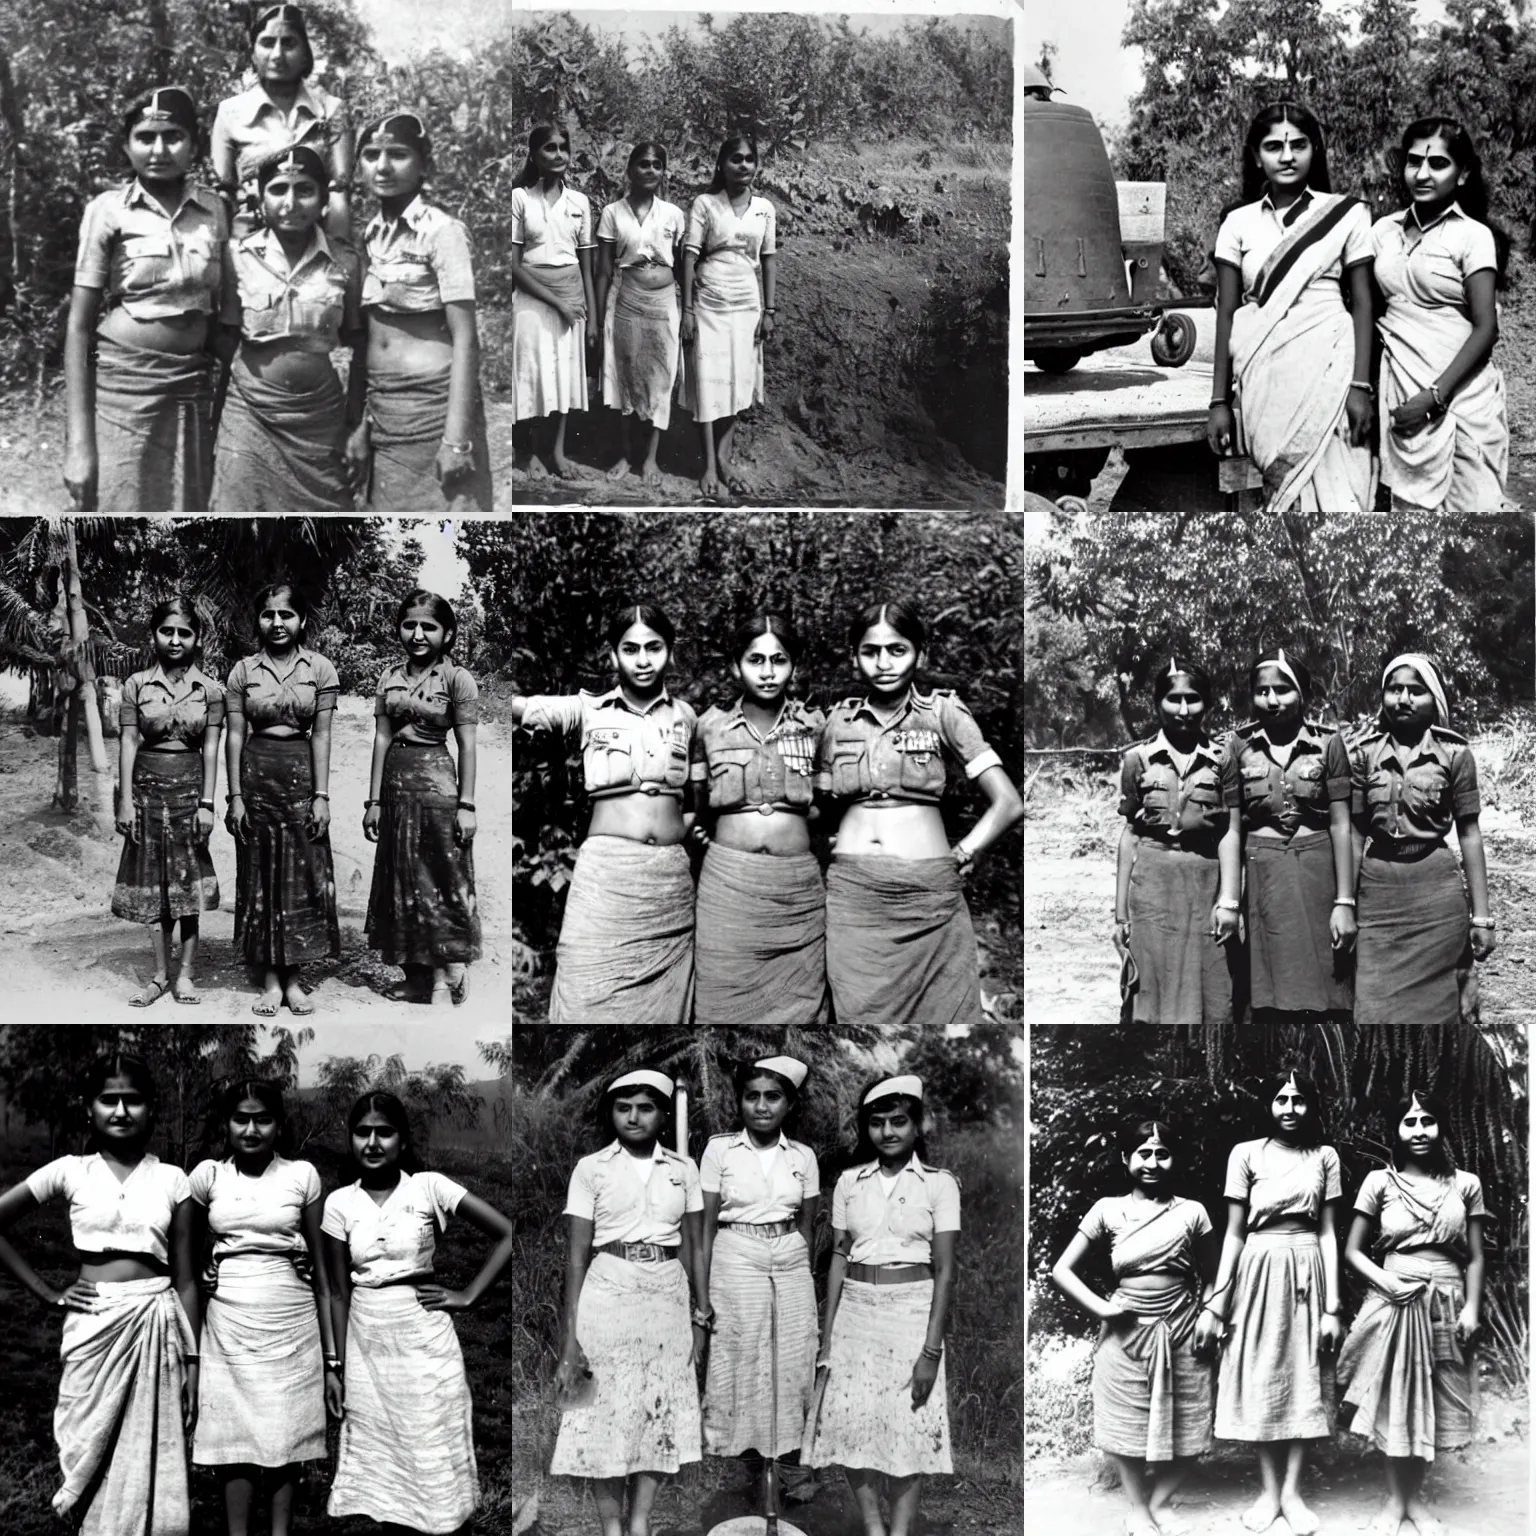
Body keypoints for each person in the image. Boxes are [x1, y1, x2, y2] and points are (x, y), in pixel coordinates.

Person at [0, 1054, 201, 1535]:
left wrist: (194, 1360)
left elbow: (188, 1279)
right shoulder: (71, 1171)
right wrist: (46, 1292)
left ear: (151, 1108)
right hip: (93, 1326)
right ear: (88, 1107)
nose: (120, 1111)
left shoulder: (174, 1179)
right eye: (108, 1099)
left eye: (132, 1100)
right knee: (86, 1443)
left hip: (155, 1322)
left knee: (149, 1455)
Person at [817, 600, 1022, 1030]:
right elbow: (812, 806)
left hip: (928, 894)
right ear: (855, 657)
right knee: (861, 1017)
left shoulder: (943, 713)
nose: (884, 663)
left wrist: (967, 851)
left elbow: (1008, 802)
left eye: (898, 650)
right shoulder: (836, 723)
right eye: (871, 652)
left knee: (944, 1015)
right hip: (854, 898)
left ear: (921, 654)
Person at [322, 1091, 515, 1535]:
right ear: (351, 1139)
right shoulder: (339, 1204)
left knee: (432, 1458)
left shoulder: (429, 1186)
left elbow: (506, 1233)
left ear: (403, 1140)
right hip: (368, 1344)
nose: (373, 1142)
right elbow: (335, 1291)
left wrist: (469, 1296)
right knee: (389, 1474)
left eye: (384, 1132)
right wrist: (337, 1365)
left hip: (424, 1339)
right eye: (362, 1132)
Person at [511, 604, 700, 1023]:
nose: (643, 659)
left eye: (654, 648)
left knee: (665, 1009)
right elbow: (521, 706)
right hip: (607, 878)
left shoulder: (686, 717)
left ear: (670, 652)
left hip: (669, 882)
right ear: (613, 656)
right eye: (630, 649)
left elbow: (699, 796)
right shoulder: (589, 709)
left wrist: (692, 828)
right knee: (586, 988)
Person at [551, 1069, 708, 1536]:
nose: (633, 1117)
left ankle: (640, 1521)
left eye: (644, 1108)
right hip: (608, 1291)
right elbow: (576, 1259)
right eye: (623, 1108)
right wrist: (568, 1339)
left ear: (663, 1115)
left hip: (666, 1294)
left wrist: (701, 1316)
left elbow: (697, 1248)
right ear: (612, 1113)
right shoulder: (591, 1168)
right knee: (604, 1415)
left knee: (658, 1410)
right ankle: (611, 1526)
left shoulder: (684, 1170)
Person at [802, 1076, 958, 1536]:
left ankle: (901, 1530)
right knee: (852, 1424)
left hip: (911, 1310)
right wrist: (826, 1335)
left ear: (916, 1126)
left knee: (909, 1426)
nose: (888, 1132)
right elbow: (839, 1256)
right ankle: (873, 1526)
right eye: (877, 1123)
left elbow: (946, 1270)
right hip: (855, 1310)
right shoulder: (850, 1182)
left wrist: (931, 1351)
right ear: (865, 1128)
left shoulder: (939, 1184)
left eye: (898, 1122)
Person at [1051, 1117, 1219, 1536]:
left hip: (1182, 1325)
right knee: (1125, 1423)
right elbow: (1062, 1270)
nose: (1153, 1162)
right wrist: (1103, 1310)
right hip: (1126, 1331)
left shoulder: (1192, 1212)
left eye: (1162, 1154)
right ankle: (1138, 1508)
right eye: (1144, 1153)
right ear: (1126, 1158)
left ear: (1173, 1160)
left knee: (1192, 1415)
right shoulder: (1108, 1209)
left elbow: (1216, 1275)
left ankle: (1161, 1501)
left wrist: (1208, 1313)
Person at [64, 86, 226, 511]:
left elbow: (225, 313)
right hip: (124, 388)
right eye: (145, 137)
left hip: (190, 388)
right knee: (120, 511)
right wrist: (78, 444)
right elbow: (79, 328)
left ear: (194, 143)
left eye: (173, 136)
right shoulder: (108, 210)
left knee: (184, 515)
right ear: (126, 145)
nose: (159, 149)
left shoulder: (214, 210)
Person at [1208, 102, 1375, 514]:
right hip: (1264, 379)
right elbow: (1227, 315)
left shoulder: (1346, 215)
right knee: (1280, 501)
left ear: (1314, 150)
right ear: (1255, 155)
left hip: (1331, 371)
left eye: (1298, 145)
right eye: (1273, 146)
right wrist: (1218, 403)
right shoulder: (1238, 223)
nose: (1287, 156)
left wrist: (1360, 387)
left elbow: (1364, 304)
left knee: (1341, 504)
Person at [1197, 1072, 1342, 1536]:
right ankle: (1267, 1491)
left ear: (1311, 1107)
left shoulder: (1325, 1157)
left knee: (1305, 1376)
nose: (1290, 1107)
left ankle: (1293, 1493)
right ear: (1269, 1105)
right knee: (1261, 1374)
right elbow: (1235, 1232)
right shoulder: (1246, 1154)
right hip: (1257, 1270)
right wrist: (1218, 1300)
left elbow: (1327, 1232)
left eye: (1300, 1099)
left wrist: (1333, 1306)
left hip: (1307, 1269)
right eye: (1281, 1098)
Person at [1338, 1091, 1485, 1536]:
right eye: (1409, 1122)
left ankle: (1413, 1500)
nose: (1419, 1130)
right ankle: (1394, 1502)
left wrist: (1473, 1308)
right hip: (1395, 1296)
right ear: (1397, 1131)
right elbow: (1352, 1251)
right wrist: (1385, 1282)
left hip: (1446, 1299)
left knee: (1435, 1400)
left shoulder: (1466, 1184)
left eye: (1427, 1121)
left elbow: (1476, 1256)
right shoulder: (1379, 1183)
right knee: (1397, 1398)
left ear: (1440, 1128)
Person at [188, 1080, 332, 1536]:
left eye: (263, 1119)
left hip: (291, 1316)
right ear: (226, 1124)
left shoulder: (301, 1175)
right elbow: (184, 1252)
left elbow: (320, 1251)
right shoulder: (208, 1175)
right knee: (234, 1439)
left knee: (284, 1436)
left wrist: (309, 1264)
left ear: (280, 1125)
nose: (251, 1129)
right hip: (229, 1317)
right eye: (241, 1119)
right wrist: (207, 1266)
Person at [350, 109, 492, 511]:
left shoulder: (442, 232)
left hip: (433, 409)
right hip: (386, 411)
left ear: (423, 163)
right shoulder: (372, 234)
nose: (382, 166)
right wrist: (362, 424)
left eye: (398, 154)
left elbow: (466, 338)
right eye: (371, 154)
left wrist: (456, 439)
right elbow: (373, 337)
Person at [211, 144, 365, 511]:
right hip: (250, 412)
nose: (291, 202)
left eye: (305, 190)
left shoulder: (345, 261)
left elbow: (361, 345)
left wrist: (357, 424)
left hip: (320, 417)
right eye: (278, 189)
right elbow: (227, 339)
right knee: (240, 511)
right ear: (261, 198)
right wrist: (214, 418)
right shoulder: (237, 257)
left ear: (324, 198)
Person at [691, 614, 827, 1025]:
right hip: (728, 886)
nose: (768, 671)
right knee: (722, 999)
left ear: (794, 666)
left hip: (796, 887)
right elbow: (696, 802)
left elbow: (827, 803)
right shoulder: (709, 726)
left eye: (779, 659)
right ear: (736, 665)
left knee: (799, 1004)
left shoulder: (816, 726)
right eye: (755, 660)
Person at [1349, 653, 1495, 1026]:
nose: (1404, 699)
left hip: (1435, 892)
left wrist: (1482, 918)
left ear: (1435, 699)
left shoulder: (1456, 754)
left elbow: (1469, 834)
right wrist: (1344, 902)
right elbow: (1353, 833)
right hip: (1377, 892)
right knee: (1371, 1007)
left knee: (1437, 1012)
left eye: (1416, 691)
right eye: (1394, 689)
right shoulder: (1364, 755)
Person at [1372, 118, 1508, 512]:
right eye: (1414, 162)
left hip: (1463, 399)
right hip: (1402, 392)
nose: (1423, 173)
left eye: (1438, 164)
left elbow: (1486, 329)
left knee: (1474, 532)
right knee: (1414, 530)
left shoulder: (1473, 236)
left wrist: (1434, 397)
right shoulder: (1383, 231)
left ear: (1463, 174)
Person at [700, 1057, 820, 1501]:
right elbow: (707, 1223)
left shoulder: (803, 1156)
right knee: (741, 1354)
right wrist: (706, 1288)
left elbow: (808, 1223)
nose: (762, 1106)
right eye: (752, 1097)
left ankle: (791, 1467)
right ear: (740, 1102)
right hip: (736, 1256)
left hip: (789, 1257)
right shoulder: (720, 1150)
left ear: (789, 1104)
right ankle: (751, 1465)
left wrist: (797, 1264)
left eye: (773, 1097)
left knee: (793, 1358)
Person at [225, 581, 341, 1016]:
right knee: (260, 874)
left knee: (302, 873)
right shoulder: (242, 671)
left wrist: (321, 796)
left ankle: (295, 979)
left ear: (302, 620)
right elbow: (235, 735)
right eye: (268, 614)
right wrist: (235, 796)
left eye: (286, 615)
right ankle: (270, 981)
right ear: (258, 620)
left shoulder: (320, 669)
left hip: (300, 777)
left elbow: (323, 734)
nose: (277, 623)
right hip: (256, 777)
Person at [1220, 649, 1354, 1022]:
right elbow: (1233, 826)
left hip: (1316, 873)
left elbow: (1342, 823)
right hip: (1264, 873)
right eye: (1262, 691)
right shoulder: (1238, 747)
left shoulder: (1329, 744)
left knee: (1326, 978)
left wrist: (1345, 900)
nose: (1272, 700)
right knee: (1268, 981)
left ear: (1303, 694)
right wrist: (1231, 900)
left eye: (1283, 689)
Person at [364, 588, 481, 1006]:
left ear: (447, 634)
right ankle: (415, 978)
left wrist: (466, 805)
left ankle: (441, 980)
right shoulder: (387, 676)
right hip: (396, 785)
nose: (417, 634)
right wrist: (373, 801)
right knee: (401, 880)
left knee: (438, 879)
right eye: (410, 625)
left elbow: (467, 744)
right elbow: (380, 737)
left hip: (437, 786)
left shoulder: (457, 678)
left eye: (428, 627)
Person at [1114, 657, 1241, 1027]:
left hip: (1204, 883)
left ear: (1208, 704)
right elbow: (1130, 834)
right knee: (1151, 982)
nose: (1184, 709)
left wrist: (1229, 901)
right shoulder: (1137, 759)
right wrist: (1121, 915)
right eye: (1174, 699)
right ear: (1157, 703)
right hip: (1153, 887)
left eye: (1194, 699)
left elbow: (1231, 831)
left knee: (1210, 985)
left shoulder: (1222, 758)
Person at [112, 595, 224, 1007]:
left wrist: (208, 803)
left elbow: (211, 747)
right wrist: (125, 800)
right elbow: (127, 740)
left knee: (186, 883)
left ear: (197, 639)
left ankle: (187, 975)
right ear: (153, 635)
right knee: (152, 881)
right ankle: (159, 975)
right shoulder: (136, 685)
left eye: (185, 633)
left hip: (190, 789)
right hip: (145, 790)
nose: (175, 640)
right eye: (167, 631)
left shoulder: (211, 690)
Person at [680, 136, 778, 499]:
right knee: (709, 379)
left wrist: (769, 310)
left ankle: (724, 457)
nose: (743, 165)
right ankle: (707, 466)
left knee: (738, 379)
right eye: (735, 159)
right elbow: (689, 257)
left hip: (747, 303)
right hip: (710, 300)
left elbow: (768, 258)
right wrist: (688, 310)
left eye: (750, 159)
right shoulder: (705, 203)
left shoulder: (765, 209)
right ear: (721, 164)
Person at [211, 3, 352, 240]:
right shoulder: (230, 112)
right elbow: (223, 193)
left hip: (317, 242)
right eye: (267, 43)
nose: (277, 55)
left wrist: (339, 259)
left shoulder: (331, 110)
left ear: (305, 53)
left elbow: (339, 193)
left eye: (288, 43)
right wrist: (230, 245)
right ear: (253, 54)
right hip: (251, 242)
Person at [509, 123, 597, 480]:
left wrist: (589, 316)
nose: (558, 154)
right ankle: (525, 452)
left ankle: (558, 453)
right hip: (532, 297)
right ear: (534, 155)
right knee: (531, 372)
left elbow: (587, 267)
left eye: (563, 147)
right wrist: (556, 302)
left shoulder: (580, 203)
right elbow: (514, 266)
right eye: (549, 148)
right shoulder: (519, 199)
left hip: (572, 298)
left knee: (563, 375)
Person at [596, 142, 686, 487]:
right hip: (627, 298)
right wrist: (598, 314)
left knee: (660, 377)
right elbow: (604, 268)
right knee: (626, 374)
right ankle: (626, 454)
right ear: (630, 169)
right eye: (644, 164)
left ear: (664, 172)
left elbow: (683, 264)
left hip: (663, 302)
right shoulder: (612, 213)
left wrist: (687, 308)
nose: (650, 170)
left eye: (657, 165)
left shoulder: (674, 215)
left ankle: (650, 459)